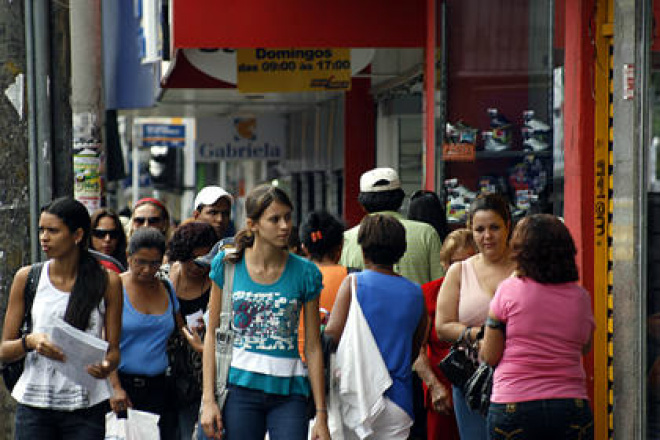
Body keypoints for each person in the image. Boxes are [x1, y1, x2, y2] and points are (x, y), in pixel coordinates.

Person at [200, 184, 330, 440]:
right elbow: (212, 335)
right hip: (239, 390)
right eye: (275, 219)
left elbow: (313, 347)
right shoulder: (227, 266)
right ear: (253, 224)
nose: (285, 226)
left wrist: (321, 415)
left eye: (288, 217)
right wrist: (208, 400)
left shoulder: (306, 273)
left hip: (290, 393)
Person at [0, 197, 122, 439]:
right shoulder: (28, 278)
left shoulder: (107, 281)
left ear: (77, 235)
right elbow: (4, 349)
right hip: (35, 406)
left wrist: (106, 366)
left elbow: (114, 351)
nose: (44, 237)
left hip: (86, 406)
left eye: (53, 231)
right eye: (41, 230)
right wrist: (31, 342)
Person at [480, 214, 595, 440]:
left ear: (520, 251)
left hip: (514, 403)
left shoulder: (509, 290)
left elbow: (490, 356)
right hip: (570, 404)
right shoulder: (580, 297)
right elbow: (584, 347)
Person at [325, 214, 428, 439]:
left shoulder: (353, 284)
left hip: (357, 394)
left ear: (363, 250)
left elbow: (331, 336)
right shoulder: (416, 293)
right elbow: (414, 348)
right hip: (398, 400)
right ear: (401, 251)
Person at [435, 193, 516, 440]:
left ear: (508, 227)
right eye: (480, 229)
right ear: (471, 230)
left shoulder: (525, 267)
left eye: (494, 227)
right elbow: (442, 326)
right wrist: (478, 334)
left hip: (519, 378)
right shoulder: (460, 271)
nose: (487, 236)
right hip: (473, 380)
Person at [108, 228, 202, 440]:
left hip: (160, 389)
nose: (147, 270)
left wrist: (200, 345)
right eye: (140, 262)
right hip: (123, 387)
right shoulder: (114, 287)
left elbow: (181, 328)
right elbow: (104, 342)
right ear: (128, 257)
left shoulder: (166, 288)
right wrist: (115, 387)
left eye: (155, 263)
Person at [414, 229, 476, 440]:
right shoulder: (429, 293)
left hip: (480, 387)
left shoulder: (489, 293)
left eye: (468, 263)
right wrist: (434, 387)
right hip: (442, 389)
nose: (460, 270)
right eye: (454, 263)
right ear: (444, 264)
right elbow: (416, 351)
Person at [340, 167, 443, 286]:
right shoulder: (426, 233)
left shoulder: (346, 239)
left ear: (362, 204)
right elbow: (439, 284)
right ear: (400, 199)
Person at [167, 222, 218, 440]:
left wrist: (203, 347)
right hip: (168, 377)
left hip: (204, 379)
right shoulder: (164, 279)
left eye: (206, 260)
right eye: (195, 260)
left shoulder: (218, 283)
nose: (201, 266)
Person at [297, 210, 346, 360]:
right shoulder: (353, 279)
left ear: (304, 248)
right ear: (340, 247)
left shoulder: (293, 277)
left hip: (298, 363)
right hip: (339, 365)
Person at [89, 207, 128, 272]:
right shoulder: (78, 265)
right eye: (100, 234)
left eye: (113, 234)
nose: (107, 239)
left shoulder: (128, 264)